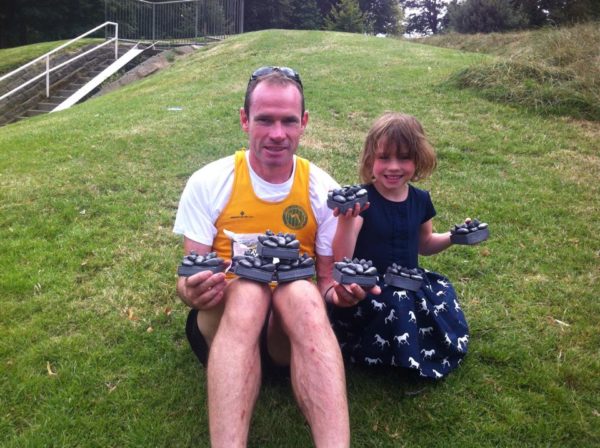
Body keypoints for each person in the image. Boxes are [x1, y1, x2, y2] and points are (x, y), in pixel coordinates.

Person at [173, 66, 374, 447]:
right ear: (245, 120)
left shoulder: (321, 188)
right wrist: (192, 291)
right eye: (265, 119)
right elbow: (187, 279)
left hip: (288, 338)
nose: (277, 134)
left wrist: (340, 294)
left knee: (301, 292)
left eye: (288, 121)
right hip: (222, 329)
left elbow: (328, 281)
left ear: (304, 123)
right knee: (249, 292)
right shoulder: (209, 181)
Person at [329, 112, 470, 380]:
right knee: (398, 303)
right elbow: (342, 259)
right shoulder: (362, 201)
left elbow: (425, 244)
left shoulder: (420, 200)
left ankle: (412, 351)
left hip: (408, 281)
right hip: (371, 288)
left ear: (418, 161)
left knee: (430, 297)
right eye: (384, 158)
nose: (393, 166)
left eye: (404, 158)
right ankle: (387, 356)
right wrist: (346, 222)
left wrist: (453, 237)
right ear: (371, 161)